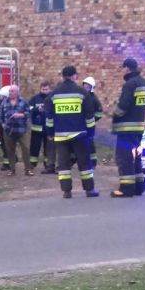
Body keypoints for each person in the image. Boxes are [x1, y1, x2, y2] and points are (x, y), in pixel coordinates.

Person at [48, 66, 99, 198]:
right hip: (79, 135)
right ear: (74, 76)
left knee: (63, 165)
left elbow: (49, 117)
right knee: (84, 163)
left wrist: (50, 133)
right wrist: (91, 133)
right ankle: (89, 190)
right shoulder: (82, 92)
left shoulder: (54, 94)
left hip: (60, 136)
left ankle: (66, 191)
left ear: (62, 76)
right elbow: (89, 116)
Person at [111, 58, 145, 198]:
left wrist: (115, 114)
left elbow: (123, 106)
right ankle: (139, 187)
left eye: (123, 68)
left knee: (124, 158)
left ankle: (126, 189)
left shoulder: (130, 84)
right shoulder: (143, 83)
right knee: (136, 156)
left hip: (126, 128)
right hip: (139, 127)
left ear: (127, 68)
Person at [0, 85, 33, 176]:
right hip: (9, 130)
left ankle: (28, 169)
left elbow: (29, 113)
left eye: (13, 91)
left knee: (26, 149)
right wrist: (2, 124)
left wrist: (21, 115)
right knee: (10, 150)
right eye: (10, 91)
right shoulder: (4, 102)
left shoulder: (24, 101)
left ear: (17, 92)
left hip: (22, 129)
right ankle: (12, 169)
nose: (10, 93)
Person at [29, 81, 52, 171]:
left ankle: (47, 164)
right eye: (43, 89)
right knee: (34, 147)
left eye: (46, 89)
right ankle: (32, 164)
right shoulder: (35, 98)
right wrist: (37, 109)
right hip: (36, 128)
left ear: (49, 89)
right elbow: (29, 108)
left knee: (48, 148)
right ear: (40, 89)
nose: (44, 91)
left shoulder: (52, 98)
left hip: (48, 128)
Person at [82, 76, 104, 168]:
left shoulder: (94, 99)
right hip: (80, 125)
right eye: (85, 85)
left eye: (88, 86)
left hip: (90, 126)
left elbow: (99, 113)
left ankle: (93, 162)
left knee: (89, 143)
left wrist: (93, 119)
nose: (85, 87)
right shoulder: (81, 96)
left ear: (91, 87)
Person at [0, 86, 10, 171]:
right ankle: (7, 163)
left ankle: (9, 163)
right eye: (2, 96)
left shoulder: (13, 103)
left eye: (4, 96)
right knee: (4, 145)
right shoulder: (0, 102)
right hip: (1, 127)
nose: (2, 98)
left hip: (9, 128)